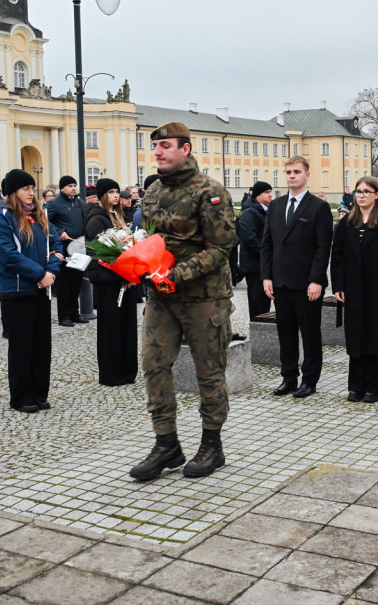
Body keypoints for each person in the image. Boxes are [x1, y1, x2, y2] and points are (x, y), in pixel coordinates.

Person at [130, 121, 237, 480]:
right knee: (154, 364)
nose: (157, 152)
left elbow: (221, 248)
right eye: (155, 146)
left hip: (204, 298)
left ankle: (212, 444)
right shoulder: (153, 191)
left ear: (185, 149)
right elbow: (149, 241)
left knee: (209, 372)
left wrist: (178, 273)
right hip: (161, 298)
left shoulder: (210, 191)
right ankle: (166, 444)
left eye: (165, 146)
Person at [0, 169, 62, 413]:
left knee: (41, 345)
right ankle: (21, 396)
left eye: (32, 188)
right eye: (25, 189)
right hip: (17, 290)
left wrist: (51, 270)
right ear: (12, 193)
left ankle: (40, 392)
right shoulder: (2, 218)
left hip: (41, 288)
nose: (31, 193)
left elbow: (56, 243)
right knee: (22, 346)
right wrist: (39, 274)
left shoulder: (40, 215)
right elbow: (8, 255)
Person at [260, 156, 333, 398]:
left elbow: (323, 248)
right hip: (279, 282)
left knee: (310, 334)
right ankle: (288, 377)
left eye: (297, 172)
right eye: (288, 172)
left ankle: (309, 380)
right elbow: (267, 244)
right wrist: (266, 276)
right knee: (286, 333)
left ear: (307, 175)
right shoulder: (277, 205)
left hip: (306, 283)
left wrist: (316, 280)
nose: (292, 175)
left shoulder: (318, 207)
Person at [331, 176, 378, 403]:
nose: (361, 195)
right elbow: (338, 256)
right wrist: (338, 285)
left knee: (376, 336)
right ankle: (356, 386)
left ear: (376, 195)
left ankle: (375, 386)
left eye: (366, 192)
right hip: (353, 289)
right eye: (358, 192)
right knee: (356, 337)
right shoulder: (346, 223)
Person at [84, 178, 139, 386]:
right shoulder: (97, 219)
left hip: (125, 280)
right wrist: (122, 272)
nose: (116, 195)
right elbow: (102, 255)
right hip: (109, 281)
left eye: (117, 191)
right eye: (111, 192)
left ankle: (127, 370)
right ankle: (112, 373)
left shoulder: (119, 216)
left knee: (127, 326)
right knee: (111, 329)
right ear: (102, 196)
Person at [45, 175, 87, 327]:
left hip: (79, 248)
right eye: (70, 186)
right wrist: (59, 231)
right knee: (64, 284)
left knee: (76, 282)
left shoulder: (80, 202)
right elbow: (45, 220)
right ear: (62, 188)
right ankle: (64, 316)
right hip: (63, 249)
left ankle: (75, 313)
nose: (73, 188)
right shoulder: (54, 204)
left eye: (74, 185)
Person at [237, 180, 272, 319]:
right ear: (257, 196)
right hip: (254, 265)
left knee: (265, 300)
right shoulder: (249, 212)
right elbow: (250, 239)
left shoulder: (266, 211)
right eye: (267, 192)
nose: (270, 195)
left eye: (270, 192)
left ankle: (264, 329)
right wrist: (266, 254)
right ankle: (258, 329)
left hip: (264, 264)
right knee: (256, 301)